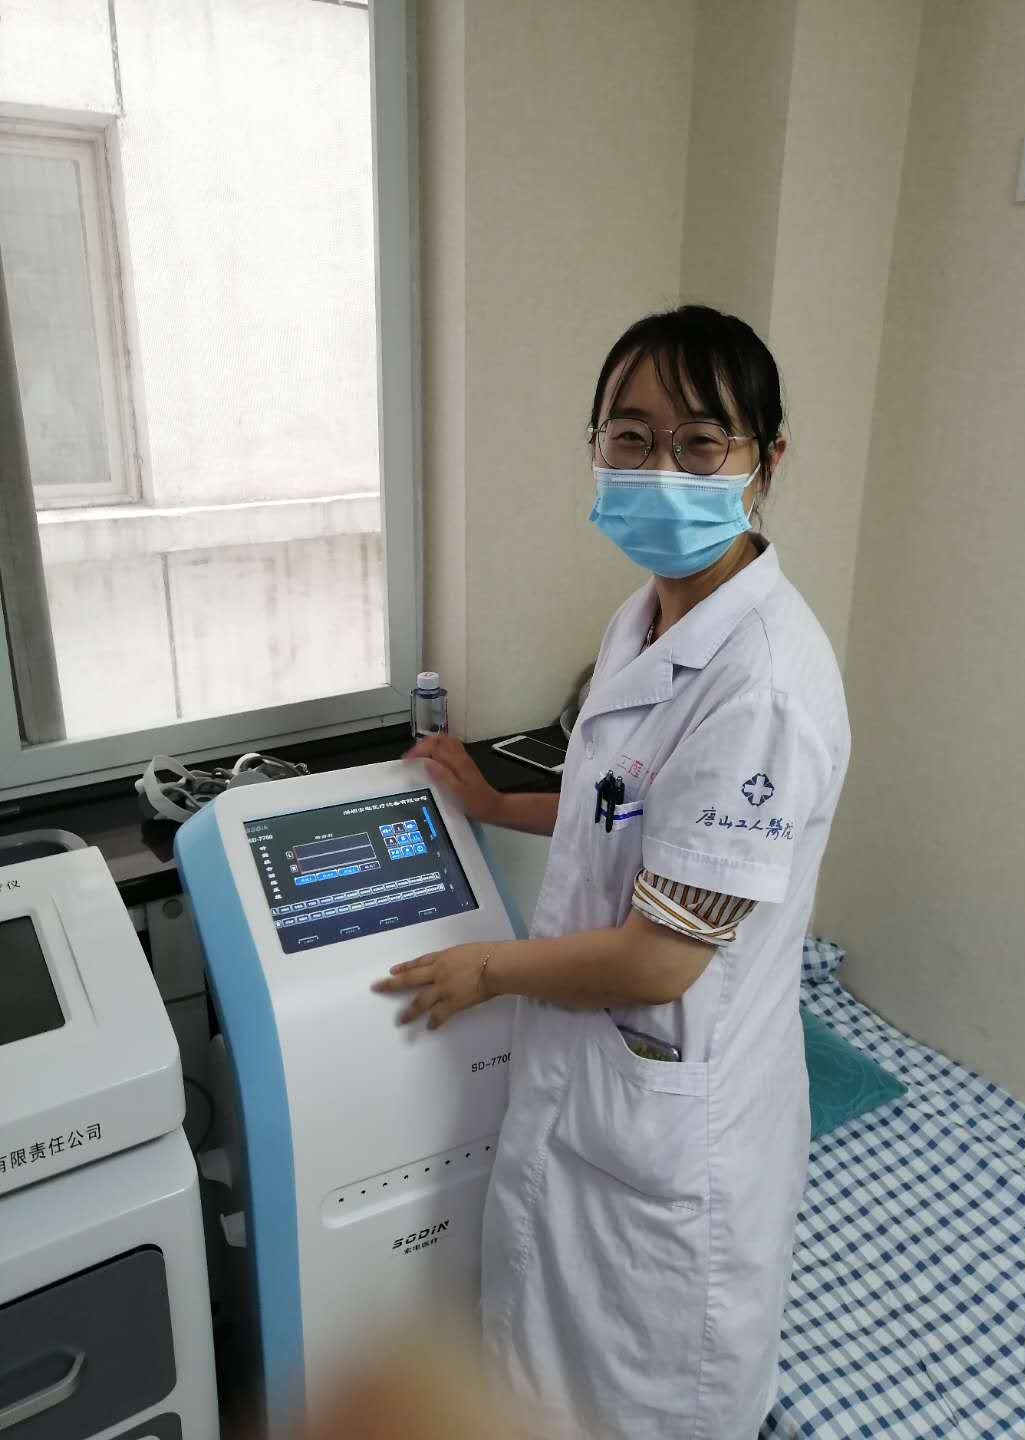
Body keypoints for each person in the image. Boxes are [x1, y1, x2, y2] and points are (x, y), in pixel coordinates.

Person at [374, 305, 850, 1438]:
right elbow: (625, 808)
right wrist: (497, 803)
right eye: (631, 437)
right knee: (555, 1371)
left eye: (701, 442)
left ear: (766, 461)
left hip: (676, 1119)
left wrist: (488, 969)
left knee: (646, 1394)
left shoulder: (762, 687)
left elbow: (658, 961)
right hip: (597, 1091)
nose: (659, 468)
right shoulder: (647, 618)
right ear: (595, 445)